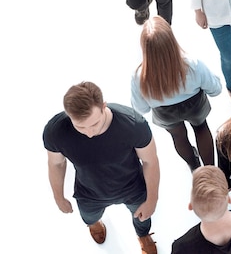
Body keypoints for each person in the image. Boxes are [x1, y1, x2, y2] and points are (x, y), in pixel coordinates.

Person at [43, 82, 160, 254]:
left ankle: (143, 235)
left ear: (103, 106)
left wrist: (152, 200)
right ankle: (95, 223)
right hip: (88, 192)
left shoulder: (133, 125)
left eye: (95, 124)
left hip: (133, 187)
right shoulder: (55, 131)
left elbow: (150, 161)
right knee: (89, 218)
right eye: (80, 126)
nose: (89, 133)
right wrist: (58, 197)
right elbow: (56, 163)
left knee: (143, 218)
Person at [131, 16, 222, 172]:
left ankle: (194, 167)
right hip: (195, 106)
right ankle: (210, 171)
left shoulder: (139, 77)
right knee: (201, 128)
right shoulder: (193, 64)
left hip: (165, 113)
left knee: (178, 137)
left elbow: (141, 109)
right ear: (172, 41)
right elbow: (216, 90)